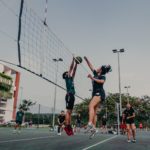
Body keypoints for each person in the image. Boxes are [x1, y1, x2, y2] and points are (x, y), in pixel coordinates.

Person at [84, 56, 111, 134]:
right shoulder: (95, 73)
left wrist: (92, 78)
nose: (98, 67)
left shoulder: (102, 76)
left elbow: (101, 82)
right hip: (95, 94)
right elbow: (90, 66)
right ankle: (94, 128)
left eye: (100, 67)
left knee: (90, 106)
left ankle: (89, 123)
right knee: (94, 111)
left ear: (101, 70)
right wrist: (86, 60)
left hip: (99, 93)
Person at [62, 57, 78, 136]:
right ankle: (67, 126)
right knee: (68, 112)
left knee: (70, 112)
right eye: (67, 73)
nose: (69, 73)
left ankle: (68, 126)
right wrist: (73, 60)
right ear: (65, 75)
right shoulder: (67, 78)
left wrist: (77, 64)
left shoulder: (71, 79)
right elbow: (71, 68)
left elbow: (74, 70)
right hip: (69, 95)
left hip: (72, 95)